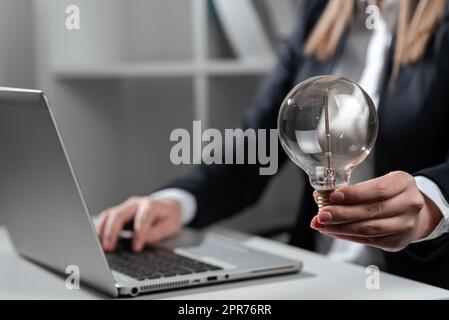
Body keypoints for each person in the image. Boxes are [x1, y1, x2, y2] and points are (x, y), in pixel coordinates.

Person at [96, 0, 449, 289]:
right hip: (320, 278)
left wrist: (430, 202)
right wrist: (176, 203)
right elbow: (256, 145)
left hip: (413, 284)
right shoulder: (320, 13)